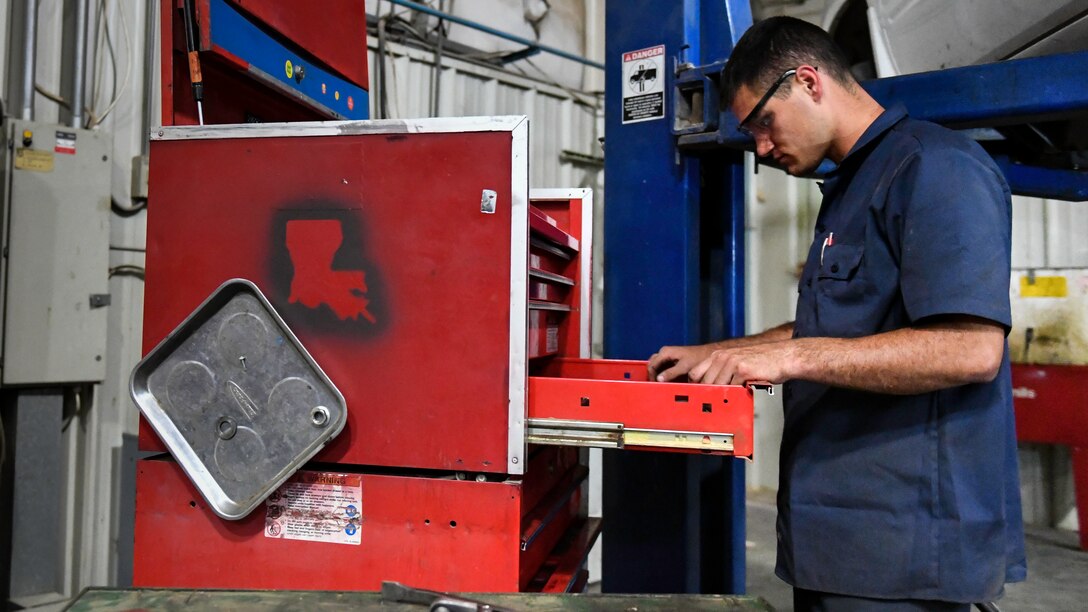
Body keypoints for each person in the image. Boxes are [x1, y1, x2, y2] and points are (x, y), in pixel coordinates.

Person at [647, 16, 1026, 611]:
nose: (762, 149)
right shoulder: (852, 187)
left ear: (808, 81)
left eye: (763, 124)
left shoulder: (935, 168)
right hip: (840, 542)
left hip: (903, 551)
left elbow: (970, 348)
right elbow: (846, 325)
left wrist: (791, 358)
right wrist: (733, 352)